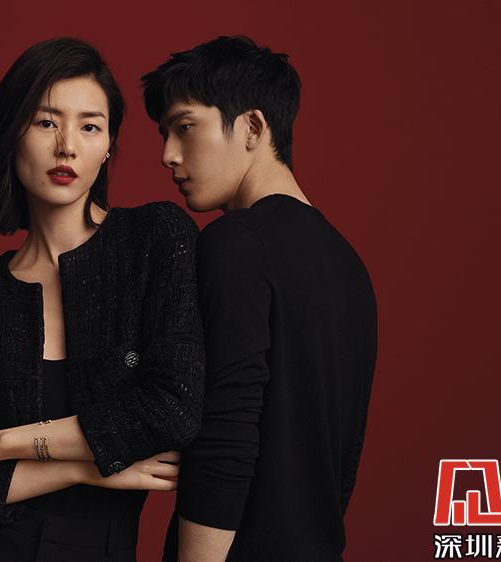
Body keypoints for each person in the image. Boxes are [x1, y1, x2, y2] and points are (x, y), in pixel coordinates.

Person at [0, 37, 205, 561]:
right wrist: (92, 469)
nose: (67, 146)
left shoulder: (155, 238)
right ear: (12, 135)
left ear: (108, 146)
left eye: (89, 126)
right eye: (46, 122)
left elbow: (172, 410)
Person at [141, 35, 378, 561]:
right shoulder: (350, 265)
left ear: (252, 128)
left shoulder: (236, 243)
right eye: (165, 134)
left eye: (184, 128)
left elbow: (225, 436)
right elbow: (345, 453)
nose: (168, 155)